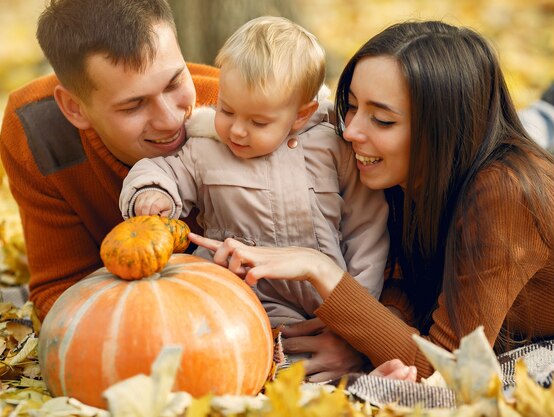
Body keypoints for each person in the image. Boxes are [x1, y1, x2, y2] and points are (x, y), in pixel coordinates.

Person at [190, 20, 554, 380]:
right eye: (351, 106)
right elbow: (405, 283)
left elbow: (447, 369)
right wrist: (367, 337)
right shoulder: (401, 175)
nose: (350, 131)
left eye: (382, 120)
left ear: (444, 131)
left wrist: (320, 268)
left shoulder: (504, 196)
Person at [119, 16, 389, 329]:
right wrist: (153, 191)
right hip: (239, 294)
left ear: (300, 115)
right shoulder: (206, 149)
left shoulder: (332, 148)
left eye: (258, 123)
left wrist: (360, 311)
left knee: (328, 364)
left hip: (327, 299)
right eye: (227, 110)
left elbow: (366, 231)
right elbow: (163, 169)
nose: (236, 130)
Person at [0, 0, 219, 322]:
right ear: (74, 108)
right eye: (133, 105)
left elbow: (312, 259)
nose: (170, 120)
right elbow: (60, 288)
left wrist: (324, 321)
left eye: (174, 83)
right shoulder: (37, 130)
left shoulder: (243, 115)